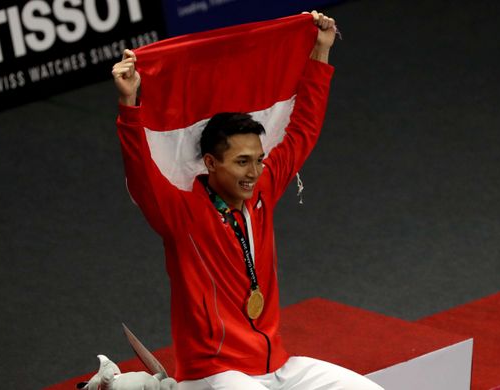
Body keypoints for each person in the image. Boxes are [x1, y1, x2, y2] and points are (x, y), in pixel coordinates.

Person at [111, 11, 385, 390]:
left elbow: (302, 130)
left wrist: (320, 54)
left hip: (277, 365)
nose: (254, 171)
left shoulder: (263, 191)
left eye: (258, 159)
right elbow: (141, 172)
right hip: (215, 372)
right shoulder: (181, 212)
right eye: (242, 162)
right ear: (210, 163)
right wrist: (129, 104)